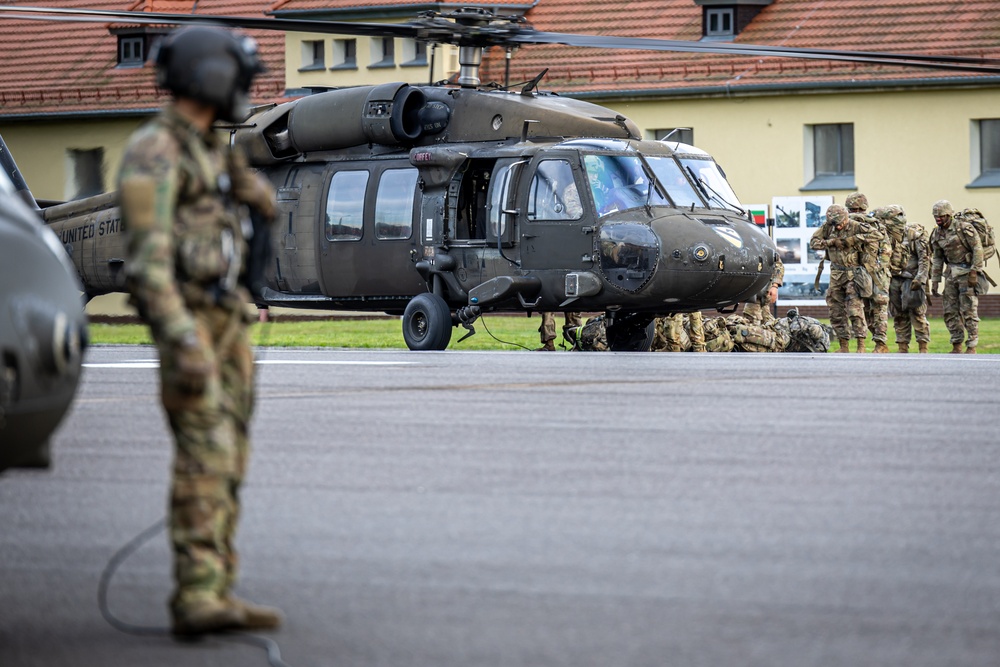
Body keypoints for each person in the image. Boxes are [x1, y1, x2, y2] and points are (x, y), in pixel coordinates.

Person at [118, 26, 282, 635]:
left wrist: (256, 198)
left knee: (231, 455)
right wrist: (181, 338)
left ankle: (217, 585)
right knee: (205, 454)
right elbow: (147, 264)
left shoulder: (210, 149)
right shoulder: (155, 152)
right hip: (191, 324)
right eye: (238, 77)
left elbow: (241, 199)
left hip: (225, 319)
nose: (243, 90)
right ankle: (196, 596)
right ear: (212, 76)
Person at [810, 204, 884, 353]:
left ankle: (861, 345)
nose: (838, 227)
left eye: (840, 224)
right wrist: (830, 242)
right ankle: (844, 345)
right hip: (836, 274)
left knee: (854, 309)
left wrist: (854, 239)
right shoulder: (828, 227)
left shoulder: (856, 226)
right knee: (835, 310)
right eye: (835, 225)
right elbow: (813, 243)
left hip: (853, 274)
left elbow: (878, 235)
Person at [929, 199, 984, 353]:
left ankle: (972, 345)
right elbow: (938, 257)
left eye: (940, 216)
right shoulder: (937, 233)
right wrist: (935, 280)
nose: (938, 219)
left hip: (967, 273)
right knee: (950, 311)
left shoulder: (963, 228)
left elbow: (977, 249)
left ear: (949, 215)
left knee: (969, 310)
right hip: (951, 275)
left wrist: (975, 272)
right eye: (935, 217)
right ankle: (956, 344)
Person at [875, 205, 931, 353]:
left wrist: (921, 279)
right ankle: (902, 347)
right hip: (893, 279)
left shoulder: (914, 235)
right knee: (898, 314)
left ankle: (923, 347)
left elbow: (924, 259)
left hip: (912, 279)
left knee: (917, 313)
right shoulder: (884, 237)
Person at [847, 192, 891, 353]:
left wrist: (877, 268)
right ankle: (863, 343)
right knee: (858, 309)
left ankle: (880, 343)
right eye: (852, 209)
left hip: (876, 274)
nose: (855, 212)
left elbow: (886, 249)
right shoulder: (847, 226)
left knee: (878, 308)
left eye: (857, 208)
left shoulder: (876, 225)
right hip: (857, 273)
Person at [743, 255, 784, 324]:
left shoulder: (765, 247)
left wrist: (775, 286)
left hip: (762, 292)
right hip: (754, 293)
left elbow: (778, 265)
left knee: (754, 322)